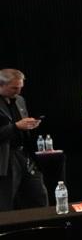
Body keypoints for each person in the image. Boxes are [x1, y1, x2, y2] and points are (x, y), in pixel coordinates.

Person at [0, 68, 47, 212]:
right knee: (6, 201)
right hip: (5, 157)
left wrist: (29, 125)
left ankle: (42, 228)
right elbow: (12, 128)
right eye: (14, 88)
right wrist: (16, 127)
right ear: (1, 85)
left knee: (38, 194)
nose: (18, 91)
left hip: (24, 154)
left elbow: (21, 126)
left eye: (20, 87)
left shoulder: (20, 100)